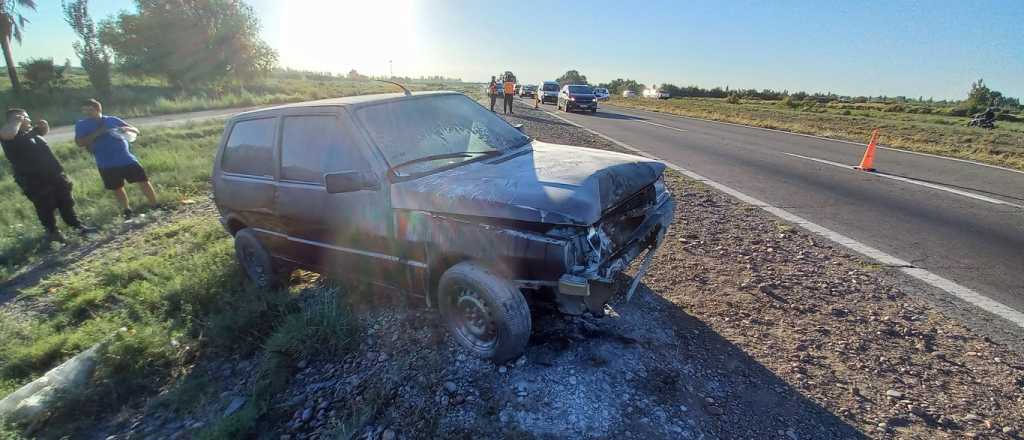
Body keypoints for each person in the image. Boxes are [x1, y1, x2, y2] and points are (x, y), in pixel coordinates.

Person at [1, 108, 94, 242]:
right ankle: (53, 234)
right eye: (25, 117)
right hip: (34, 180)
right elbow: (7, 134)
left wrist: (44, 126)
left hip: (54, 174)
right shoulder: (9, 137)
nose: (28, 119)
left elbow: (43, 132)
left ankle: (77, 227)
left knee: (66, 201)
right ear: (16, 118)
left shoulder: (29, 132)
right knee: (45, 206)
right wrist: (17, 120)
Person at [74, 99, 157, 219]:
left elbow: (136, 130)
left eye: (90, 110)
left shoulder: (112, 120)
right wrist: (98, 133)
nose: (87, 113)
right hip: (105, 163)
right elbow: (80, 143)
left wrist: (126, 129)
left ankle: (154, 205)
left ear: (98, 109)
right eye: (84, 111)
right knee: (117, 188)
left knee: (143, 181)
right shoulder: (81, 125)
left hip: (126, 159)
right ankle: (127, 210)